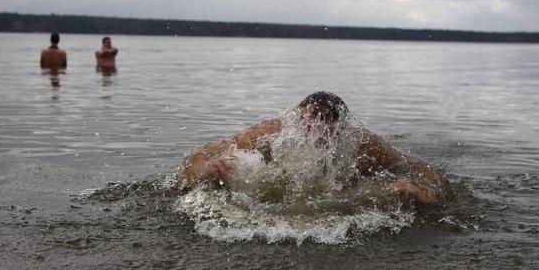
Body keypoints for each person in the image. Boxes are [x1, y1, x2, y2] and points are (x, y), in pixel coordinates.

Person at [179, 92, 447, 206]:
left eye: (327, 120)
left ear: (341, 128)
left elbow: (420, 167)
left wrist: (423, 191)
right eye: (311, 117)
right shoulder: (267, 136)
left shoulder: (363, 145)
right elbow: (197, 154)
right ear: (296, 117)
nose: (317, 128)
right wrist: (205, 169)